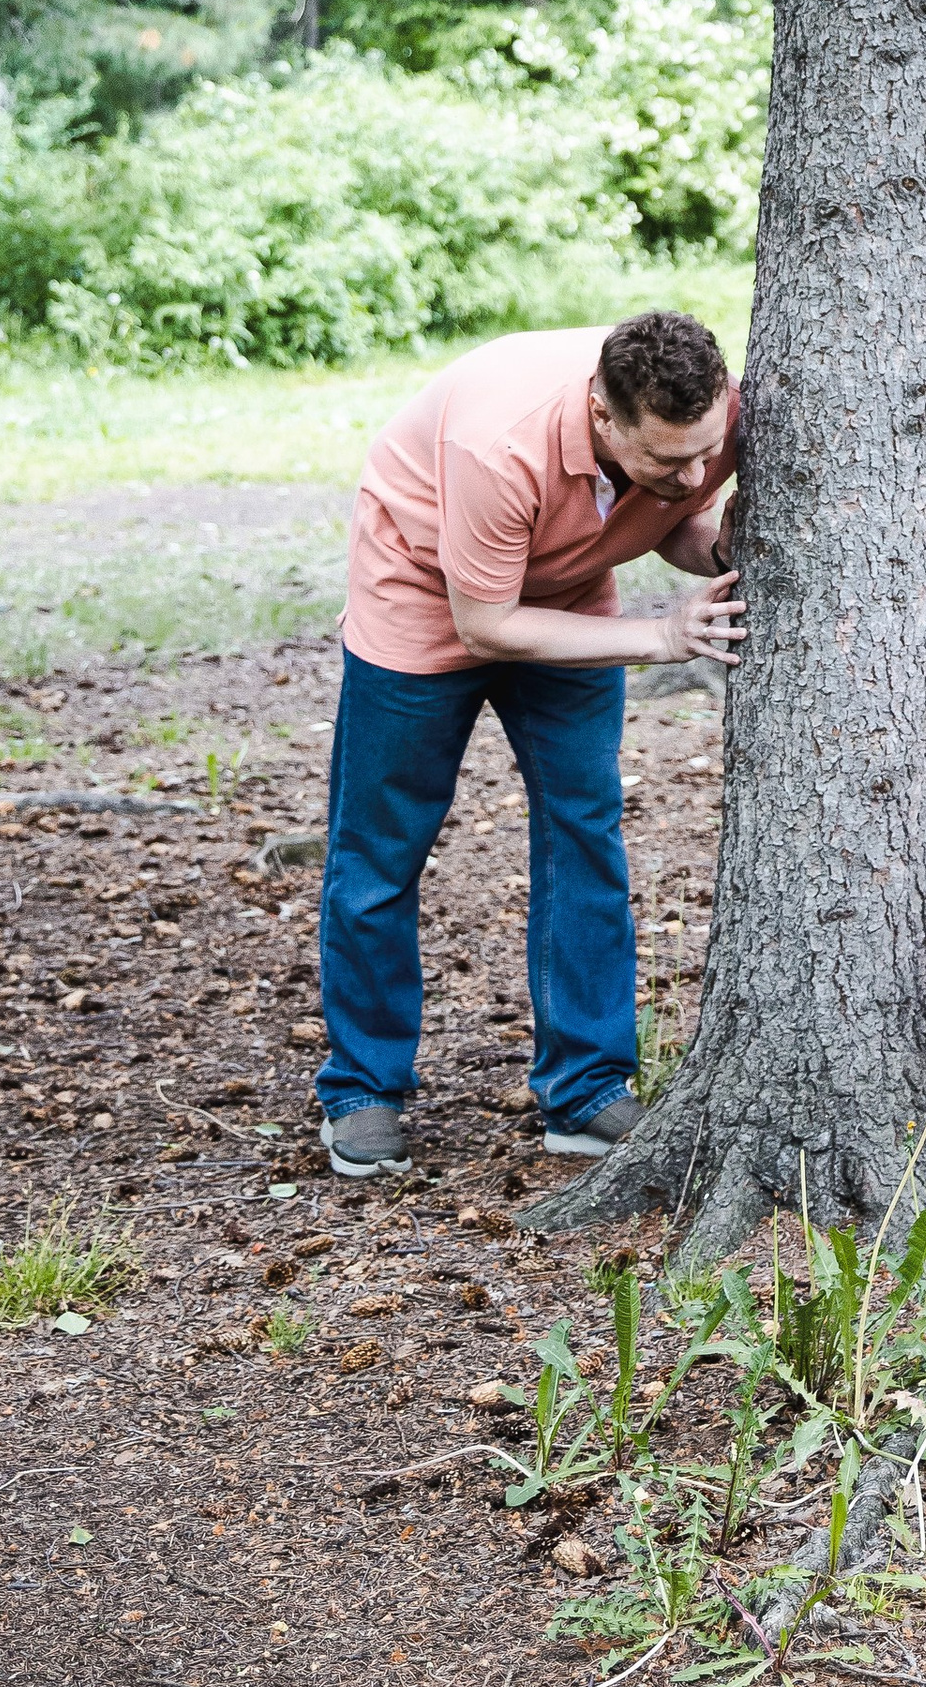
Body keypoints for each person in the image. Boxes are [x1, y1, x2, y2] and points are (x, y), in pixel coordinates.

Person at [314, 310, 744, 1181]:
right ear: (601, 416)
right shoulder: (497, 446)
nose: (696, 471)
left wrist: (727, 540)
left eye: (707, 449)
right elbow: (489, 623)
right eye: (668, 459)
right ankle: (362, 1089)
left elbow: (676, 517)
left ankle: (585, 1089)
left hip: (567, 589)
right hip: (428, 599)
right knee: (379, 850)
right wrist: (663, 636)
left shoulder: (699, 415)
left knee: (586, 825)